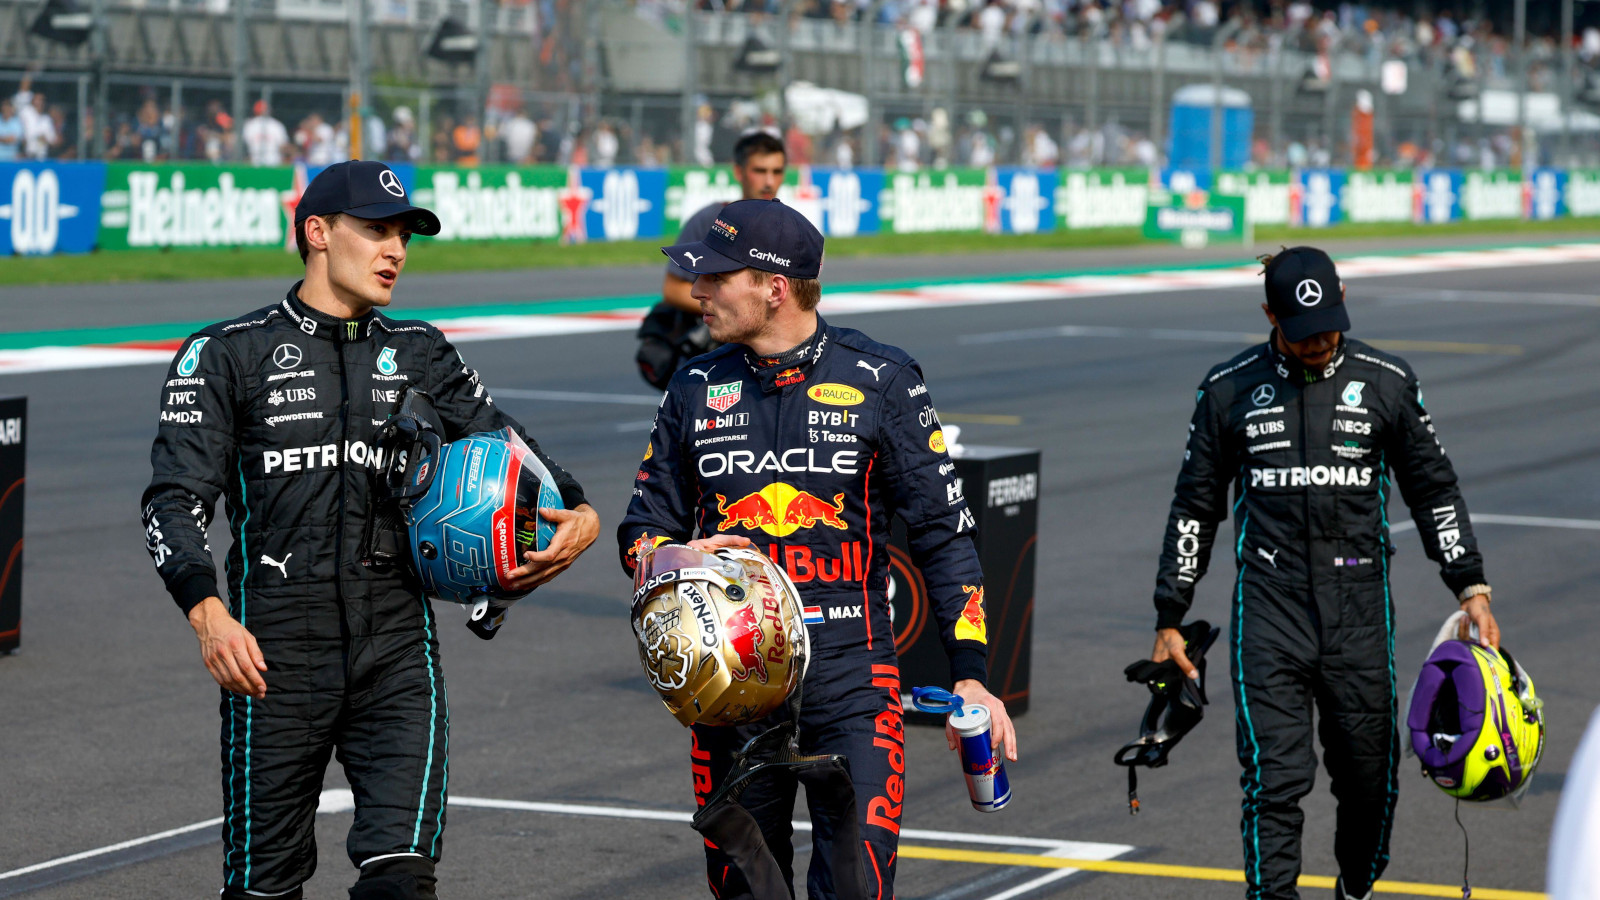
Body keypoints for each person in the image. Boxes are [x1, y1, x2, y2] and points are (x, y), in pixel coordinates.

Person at [140, 160, 601, 900]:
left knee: (402, 880)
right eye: (376, 230)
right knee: (263, 886)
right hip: (273, 656)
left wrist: (578, 508)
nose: (395, 250)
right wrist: (208, 615)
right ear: (317, 232)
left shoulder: (419, 349)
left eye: (404, 235)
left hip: (396, 649)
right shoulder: (226, 353)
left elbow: (508, 443)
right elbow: (172, 500)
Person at [619, 198, 1018, 900]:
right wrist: (676, 558)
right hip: (730, 688)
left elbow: (943, 532)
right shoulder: (694, 387)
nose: (698, 291)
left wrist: (973, 673)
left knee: (857, 891)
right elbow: (642, 527)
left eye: (716, 277)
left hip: (853, 683)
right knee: (747, 892)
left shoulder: (884, 379)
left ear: (774, 288)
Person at [1146, 246, 1499, 900]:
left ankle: (1355, 887)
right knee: (1274, 783)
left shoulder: (1387, 380)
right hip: (1269, 609)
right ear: (1268, 315)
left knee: (1372, 781)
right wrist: (1170, 614)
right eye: (1303, 331)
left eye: (1331, 324)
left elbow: (1434, 490)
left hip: (1358, 609)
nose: (1320, 341)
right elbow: (1195, 505)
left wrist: (1469, 585)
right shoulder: (1227, 388)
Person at [635, 131, 787, 389]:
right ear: (739, 172)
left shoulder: (789, 228)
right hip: (713, 350)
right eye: (760, 170)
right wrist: (733, 309)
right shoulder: (710, 220)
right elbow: (673, 289)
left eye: (777, 171)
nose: (769, 181)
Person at [243, 99, 292, 167]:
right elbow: (283, 146)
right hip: (274, 162)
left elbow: (243, 145)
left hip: (255, 162)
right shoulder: (276, 125)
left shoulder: (249, 125)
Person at [0, 98, 22, 162]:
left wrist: (2, 139)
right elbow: (9, 139)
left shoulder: (17, 122)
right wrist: (6, 138)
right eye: (4, 108)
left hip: (12, 158)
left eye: (8, 108)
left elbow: (13, 139)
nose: (6, 110)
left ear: (11, 109)